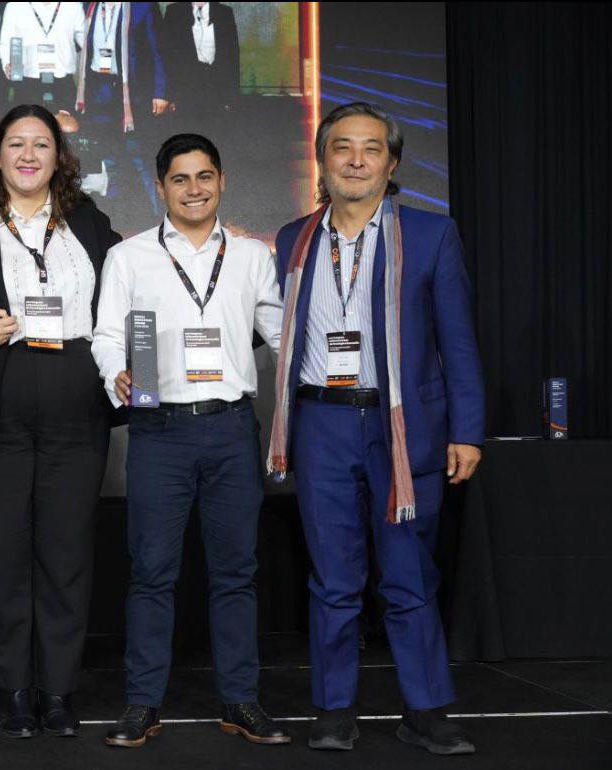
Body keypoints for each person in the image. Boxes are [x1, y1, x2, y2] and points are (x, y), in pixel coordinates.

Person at [266, 101, 484, 755]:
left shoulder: (431, 234)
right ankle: (334, 710)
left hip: (404, 429)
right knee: (333, 579)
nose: (356, 160)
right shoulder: (293, 238)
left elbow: (458, 340)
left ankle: (426, 710)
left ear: (391, 164)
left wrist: (468, 430)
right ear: (322, 160)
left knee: (408, 576)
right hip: (321, 425)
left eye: (371, 148)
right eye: (342, 147)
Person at [0, 103, 121, 739]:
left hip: (75, 411)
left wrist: (136, 372)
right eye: (17, 143)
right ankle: (13, 689)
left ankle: (58, 692)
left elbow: (130, 302)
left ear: (59, 157)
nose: (29, 154)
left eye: (41, 144)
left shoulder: (90, 223)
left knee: (66, 556)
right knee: (2, 556)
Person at [92, 133, 289, 749]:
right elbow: (106, 335)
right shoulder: (129, 257)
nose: (194, 189)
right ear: (160, 188)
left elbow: (281, 335)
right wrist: (116, 371)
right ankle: (142, 704)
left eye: (205, 176)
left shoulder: (252, 256)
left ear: (222, 181)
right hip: (161, 431)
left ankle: (241, 700)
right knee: (152, 572)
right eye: (180, 179)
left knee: (236, 573)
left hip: (231, 428)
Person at [73, 2, 169, 219]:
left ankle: (159, 217)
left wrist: (160, 91)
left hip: (132, 95)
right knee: (107, 157)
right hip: (98, 92)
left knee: (140, 157)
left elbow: (157, 50)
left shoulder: (143, 7)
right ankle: (109, 217)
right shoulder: (88, 6)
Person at [158, 2, 240, 136]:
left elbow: (232, 58)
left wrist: (230, 99)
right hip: (185, 94)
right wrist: (171, 96)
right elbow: (167, 58)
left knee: (215, 138)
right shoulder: (174, 11)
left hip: (216, 93)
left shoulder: (225, 13)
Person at [0, 2, 86, 112]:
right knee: (29, 120)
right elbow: (6, 41)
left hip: (62, 79)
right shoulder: (15, 6)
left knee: (62, 122)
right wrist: (7, 63)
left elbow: (84, 38)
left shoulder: (74, 6)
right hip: (28, 79)